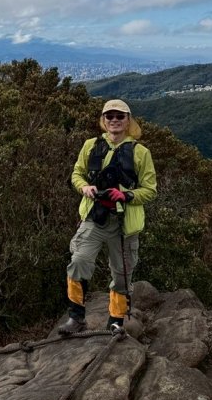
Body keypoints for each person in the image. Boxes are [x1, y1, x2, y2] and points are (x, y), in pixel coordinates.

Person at [59, 99, 157, 334]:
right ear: (103, 120)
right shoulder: (91, 146)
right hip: (94, 216)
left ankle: (116, 320)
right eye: (109, 116)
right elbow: (77, 174)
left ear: (128, 120)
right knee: (79, 261)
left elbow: (150, 189)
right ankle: (76, 317)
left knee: (122, 274)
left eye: (119, 116)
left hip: (124, 223)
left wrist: (125, 195)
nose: (114, 120)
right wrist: (84, 188)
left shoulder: (141, 153)